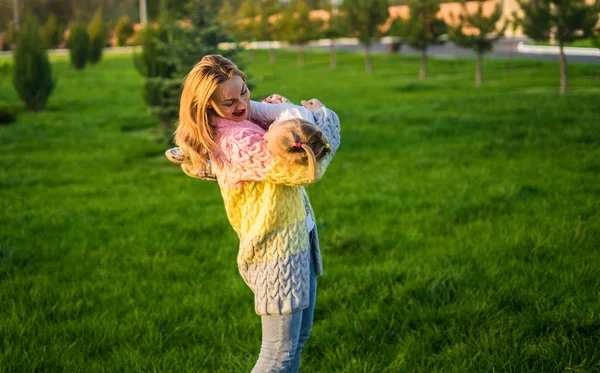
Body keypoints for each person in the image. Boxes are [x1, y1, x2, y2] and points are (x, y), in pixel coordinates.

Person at [166, 54, 340, 373]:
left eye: (243, 92)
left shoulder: (245, 121)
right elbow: (305, 170)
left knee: (297, 341)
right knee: (277, 355)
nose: (242, 104)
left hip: (296, 238)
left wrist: (273, 111)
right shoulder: (236, 140)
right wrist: (326, 121)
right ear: (206, 106)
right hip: (276, 255)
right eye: (228, 102)